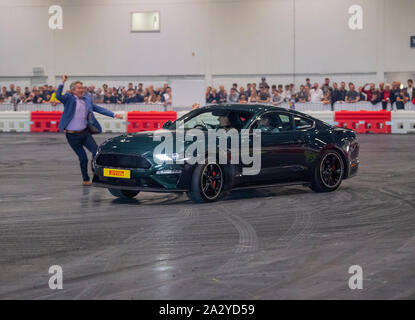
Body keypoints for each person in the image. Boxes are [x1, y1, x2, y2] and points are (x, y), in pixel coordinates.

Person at [56, 75, 123, 186]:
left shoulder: (87, 99)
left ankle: (95, 173)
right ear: (73, 90)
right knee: (83, 158)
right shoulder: (69, 98)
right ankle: (85, 179)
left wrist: (114, 115)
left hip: (85, 133)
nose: (81, 89)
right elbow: (58, 96)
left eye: (82, 87)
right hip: (72, 136)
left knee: (96, 152)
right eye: (78, 88)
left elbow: (99, 109)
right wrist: (62, 82)